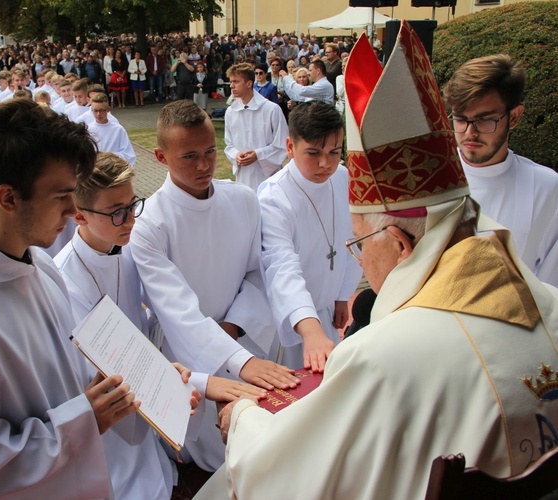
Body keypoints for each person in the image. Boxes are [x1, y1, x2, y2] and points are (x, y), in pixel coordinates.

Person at [201, 24, 558, 500]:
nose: (363, 263)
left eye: (360, 246)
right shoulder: (550, 306)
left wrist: (244, 418)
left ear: (401, 245)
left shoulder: (383, 357)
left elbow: (284, 472)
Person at [0, 98, 141, 498]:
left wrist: (130, 383)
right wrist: (81, 420)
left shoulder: (40, 264)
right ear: (8, 198)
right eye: (61, 196)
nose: (74, 210)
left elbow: (64, 377)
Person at [54, 152, 262, 499]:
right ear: (79, 215)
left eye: (132, 204)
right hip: (105, 427)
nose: (130, 220)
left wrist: (177, 373)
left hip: (143, 403)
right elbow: (105, 365)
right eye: (116, 212)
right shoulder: (65, 282)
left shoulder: (127, 251)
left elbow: (153, 320)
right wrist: (201, 382)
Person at [130, 100, 298, 472]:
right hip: (189, 354)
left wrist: (235, 329)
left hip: (247, 334)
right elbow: (177, 312)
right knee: (208, 459)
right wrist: (238, 360)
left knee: (265, 451)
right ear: (160, 156)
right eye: (189, 156)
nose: (204, 165)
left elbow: (257, 274)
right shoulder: (149, 225)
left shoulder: (242, 200)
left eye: (209, 151)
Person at [258, 101, 362, 371]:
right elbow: (281, 266)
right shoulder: (273, 197)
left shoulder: (343, 178)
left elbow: (350, 240)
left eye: (334, 152)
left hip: (326, 311)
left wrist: (342, 294)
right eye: (313, 153)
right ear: (290, 147)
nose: (325, 164)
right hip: (290, 319)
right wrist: (310, 329)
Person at [444, 54, 558, 286]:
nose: (469, 132)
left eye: (484, 120)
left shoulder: (545, 188)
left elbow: (551, 288)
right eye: (460, 119)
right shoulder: (429, 176)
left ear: (514, 117)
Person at [224, 63, 288, 191]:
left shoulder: (271, 109)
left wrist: (258, 154)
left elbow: (282, 144)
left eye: (236, 82)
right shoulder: (231, 112)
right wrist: (236, 155)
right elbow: (229, 144)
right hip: (244, 174)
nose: (231, 86)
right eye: (231, 82)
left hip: (267, 174)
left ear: (249, 83)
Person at [86, 93, 136, 166]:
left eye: (102, 110)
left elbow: (128, 154)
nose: (98, 114)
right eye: (95, 110)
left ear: (108, 109)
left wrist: (109, 156)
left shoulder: (118, 130)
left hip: (113, 169)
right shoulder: (88, 130)